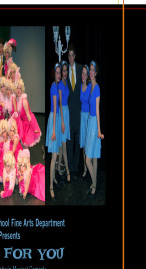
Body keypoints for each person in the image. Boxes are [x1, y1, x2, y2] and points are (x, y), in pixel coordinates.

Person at [84, 61, 104, 198]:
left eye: (93, 70)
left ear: (96, 73)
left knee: (88, 159)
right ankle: (94, 183)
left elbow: (97, 109)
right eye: (90, 70)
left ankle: (94, 184)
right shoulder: (91, 86)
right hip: (89, 122)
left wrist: (99, 130)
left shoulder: (96, 88)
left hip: (94, 124)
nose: (91, 72)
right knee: (94, 157)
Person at [47, 63, 65, 198]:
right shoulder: (54, 87)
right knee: (54, 157)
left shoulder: (58, 86)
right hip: (54, 121)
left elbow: (59, 107)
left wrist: (61, 123)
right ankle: (51, 187)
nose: (59, 75)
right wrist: (53, 131)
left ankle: (53, 178)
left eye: (60, 72)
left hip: (57, 120)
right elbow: (54, 110)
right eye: (57, 72)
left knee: (56, 153)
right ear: (54, 73)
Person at [66, 49, 82, 180]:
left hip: (79, 112)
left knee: (78, 141)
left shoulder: (81, 69)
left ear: (75, 56)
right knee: (69, 141)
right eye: (69, 55)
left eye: (72, 55)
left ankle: (76, 167)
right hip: (69, 113)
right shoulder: (65, 70)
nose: (71, 58)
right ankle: (70, 167)